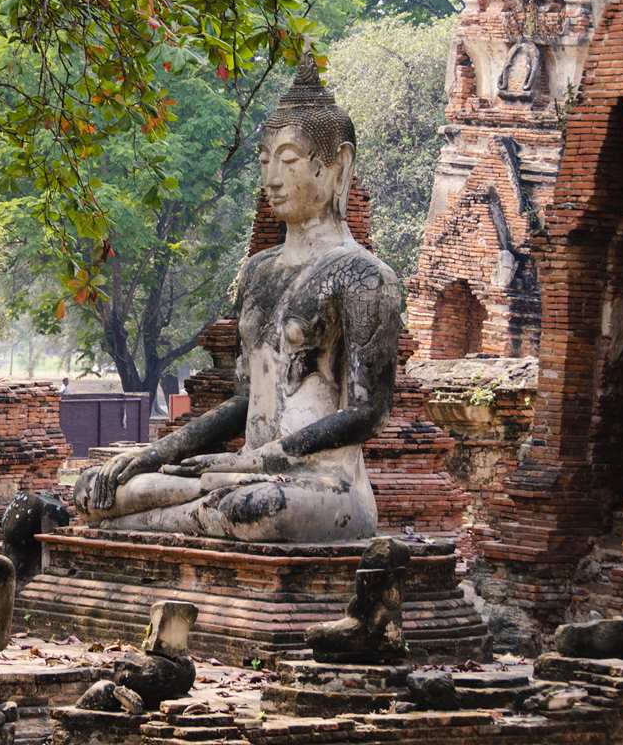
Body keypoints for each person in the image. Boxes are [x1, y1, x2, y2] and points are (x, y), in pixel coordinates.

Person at [73, 55, 401, 543]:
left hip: (320, 484)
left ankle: (147, 524)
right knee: (95, 488)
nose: (272, 179)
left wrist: (257, 461)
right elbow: (245, 400)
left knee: (257, 507)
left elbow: (366, 412)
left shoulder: (365, 277)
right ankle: (166, 513)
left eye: (288, 162)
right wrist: (157, 453)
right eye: (266, 162)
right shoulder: (257, 271)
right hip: (235, 472)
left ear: (338, 167)